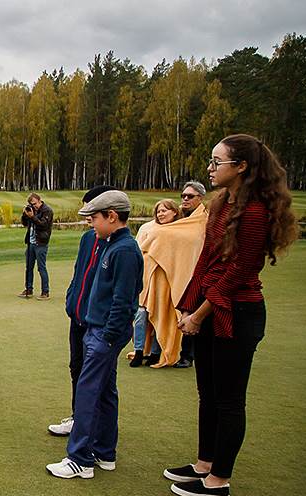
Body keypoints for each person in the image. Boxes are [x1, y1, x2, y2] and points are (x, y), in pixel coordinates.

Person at [165, 134, 297, 496]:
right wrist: (187, 307)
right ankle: (205, 464)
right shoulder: (222, 203)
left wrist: (200, 314)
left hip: (236, 314)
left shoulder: (254, 211)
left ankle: (219, 480)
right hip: (209, 309)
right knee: (207, 393)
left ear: (241, 167)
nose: (210, 168)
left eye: (216, 162)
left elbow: (237, 272)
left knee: (228, 399)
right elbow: (207, 261)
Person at [46, 190, 142, 479]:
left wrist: (109, 336)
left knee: (88, 392)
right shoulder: (110, 243)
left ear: (112, 216)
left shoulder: (124, 250)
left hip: (104, 333)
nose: (91, 224)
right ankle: (104, 452)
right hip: (96, 328)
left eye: (95, 218)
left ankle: (80, 460)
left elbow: (124, 301)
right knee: (104, 392)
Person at [47, 185, 114, 437]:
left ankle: (95, 427)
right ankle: (79, 417)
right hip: (78, 316)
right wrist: (70, 300)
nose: (87, 215)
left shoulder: (115, 244)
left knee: (97, 378)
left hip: (97, 321)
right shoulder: (88, 238)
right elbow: (79, 274)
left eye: (92, 210)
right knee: (76, 367)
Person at [129, 199, 180, 368]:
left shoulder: (180, 231)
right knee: (141, 315)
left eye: (165, 210)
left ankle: (156, 353)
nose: (161, 214)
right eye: (158, 211)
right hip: (146, 278)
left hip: (166, 281)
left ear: (174, 212)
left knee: (161, 315)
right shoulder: (147, 228)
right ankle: (139, 350)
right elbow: (138, 249)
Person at [172, 181, 207, 368]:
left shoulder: (204, 219)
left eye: (190, 196)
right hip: (178, 269)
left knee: (192, 310)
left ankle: (188, 355)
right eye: (183, 196)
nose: (185, 199)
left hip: (197, 271)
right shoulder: (178, 217)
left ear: (200, 198)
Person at [19, 193, 54, 300]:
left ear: (39, 200)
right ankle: (28, 290)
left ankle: (45, 291)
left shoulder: (47, 211)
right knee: (28, 267)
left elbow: (43, 225)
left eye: (34, 204)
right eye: (31, 204)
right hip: (31, 243)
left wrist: (32, 216)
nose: (33, 206)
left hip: (41, 243)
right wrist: (25, 215)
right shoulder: (32, 210)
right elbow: (25, 224)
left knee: (41, 267)